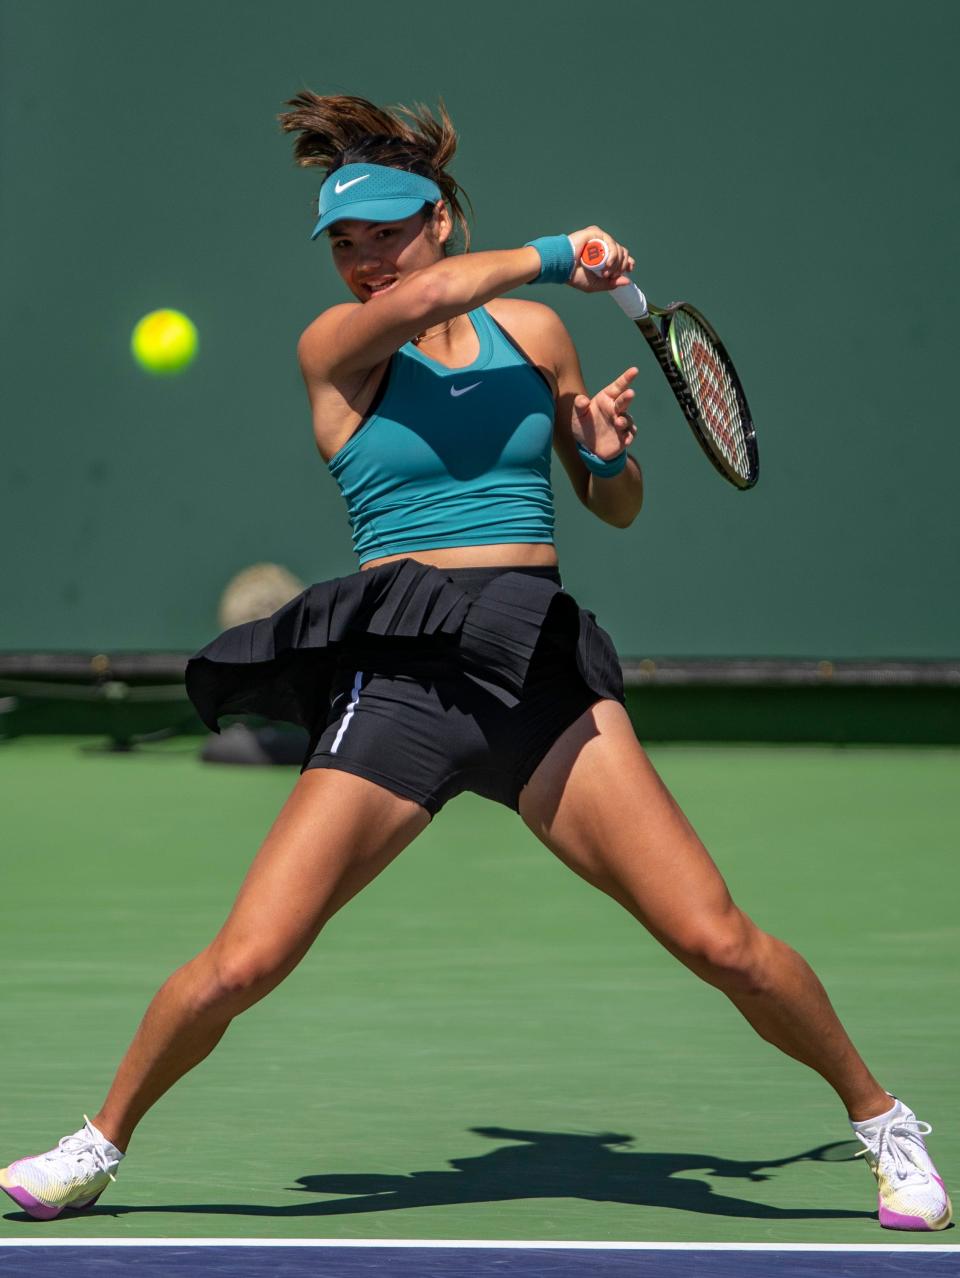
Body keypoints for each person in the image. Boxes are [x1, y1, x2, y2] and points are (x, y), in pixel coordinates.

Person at [1, 94, 949, 1232]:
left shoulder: (538, 336)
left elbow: (616, 507)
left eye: (387, 233)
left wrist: (604, 457)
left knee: (720, 941)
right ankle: (95, 1145)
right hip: (402, 681)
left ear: (440, 218)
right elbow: (448, 295)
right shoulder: (336, 348)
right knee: (246, 960)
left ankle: (886, 1125)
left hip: (536, 667)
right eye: (345, 243)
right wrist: (562, 251)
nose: (365, 261)